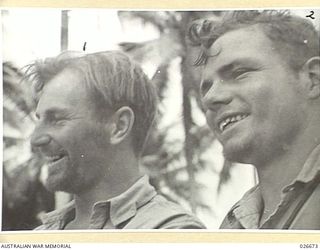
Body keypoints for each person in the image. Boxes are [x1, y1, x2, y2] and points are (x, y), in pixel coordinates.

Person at [26, 51, 205, 230]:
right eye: (39, 119)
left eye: (57, 119)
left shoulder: (171, 231)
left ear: (119, 126)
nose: (36, 139)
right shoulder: (41, 234)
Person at [191, 10, 320, 229]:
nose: (210, 98)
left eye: (239, 72)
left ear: (313, 79)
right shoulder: (234, 225)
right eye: (207, 87)